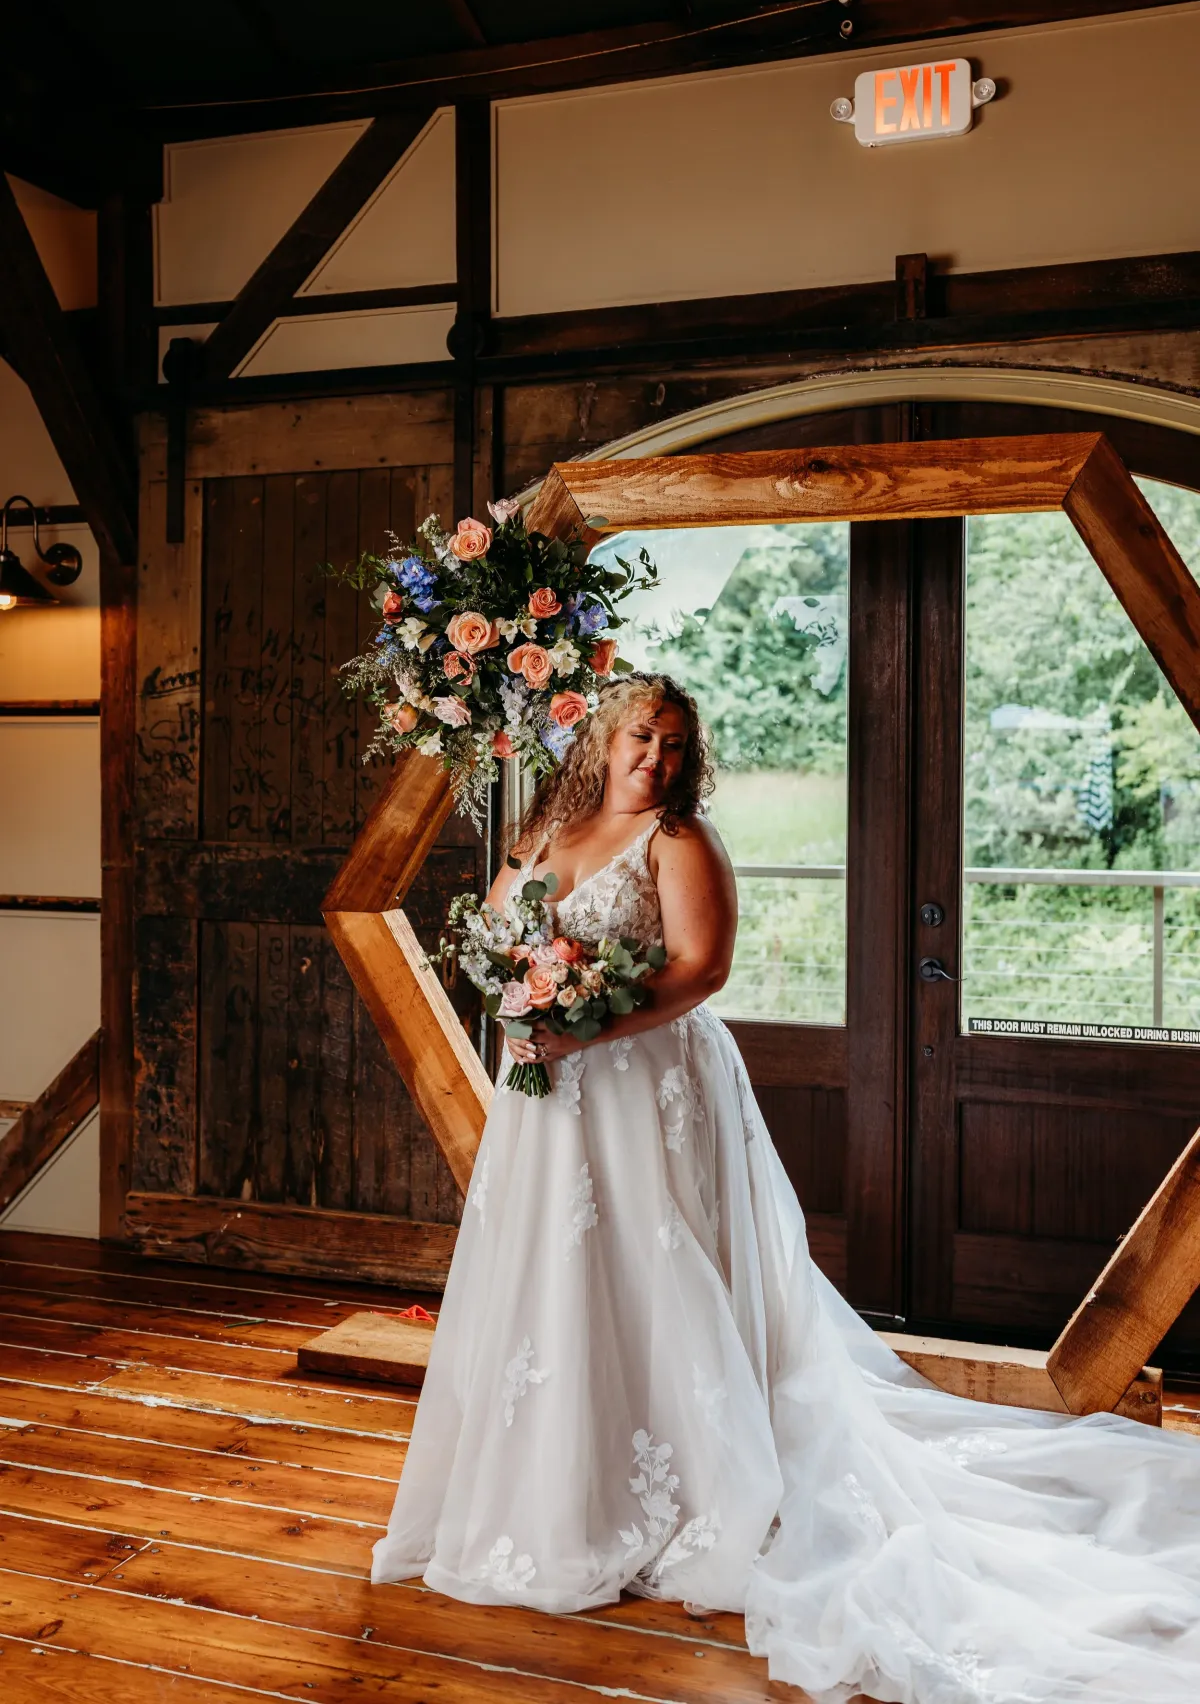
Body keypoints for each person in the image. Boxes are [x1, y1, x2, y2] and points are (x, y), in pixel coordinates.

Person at [373, 673, 1200, 1703]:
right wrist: (517, 998)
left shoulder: (681, 842)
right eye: (641, 737)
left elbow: (701, 969)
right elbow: (502, 932)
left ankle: (692, 1474)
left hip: (643, 1083)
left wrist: (584, 1023)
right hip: (548, 1096)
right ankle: (552, 1480)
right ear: (600, 740)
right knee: (555, 1272)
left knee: (657, 1265)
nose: (656, 760)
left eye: (675, 744)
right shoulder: (547, 822)